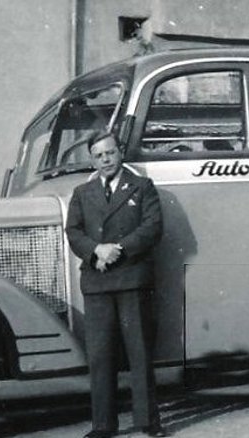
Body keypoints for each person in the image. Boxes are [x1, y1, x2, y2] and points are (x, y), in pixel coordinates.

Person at [66, 132, 167, 438]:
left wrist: (117, 249)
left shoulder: (142, 187)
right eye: (99, 156)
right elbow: (73, 231)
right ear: (92, 160)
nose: (106, 160)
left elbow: (152, 227)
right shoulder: (82, 193)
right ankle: (103, 425)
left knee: (139, 352)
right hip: (97, 282)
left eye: (110, 153)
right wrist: (96, 250)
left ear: (120, 152)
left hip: (132, 279)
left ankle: (149, 422)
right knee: (100, 356)